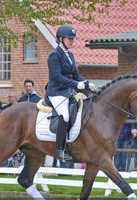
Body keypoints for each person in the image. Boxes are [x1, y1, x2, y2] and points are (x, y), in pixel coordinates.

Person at [45, 24, 95, 161]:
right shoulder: (54, 55)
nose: (72, 41)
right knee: (65, 115)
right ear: (61, 39)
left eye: (73, 39)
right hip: (56, 92)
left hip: (68, 91)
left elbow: (75, 74)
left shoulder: (70, 55)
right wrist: (76, 84)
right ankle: (59, 150)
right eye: (69, 39)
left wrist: (85, 83)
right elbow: (57, 77)